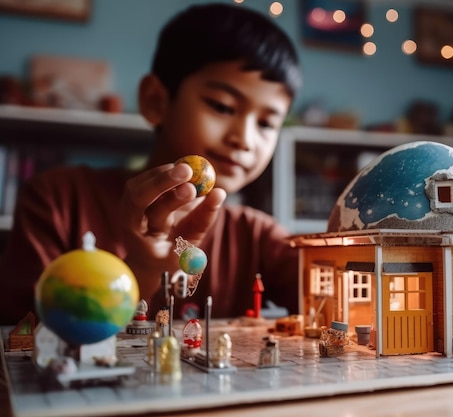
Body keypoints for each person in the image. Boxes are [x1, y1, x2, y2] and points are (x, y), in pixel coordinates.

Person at [0, 3, 303, 324]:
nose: (244, 138)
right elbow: (22, 343)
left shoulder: (258, 236)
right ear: (155, 100)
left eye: (267, 124)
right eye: (222, 106)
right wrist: (144, 271)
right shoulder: (58, 200)